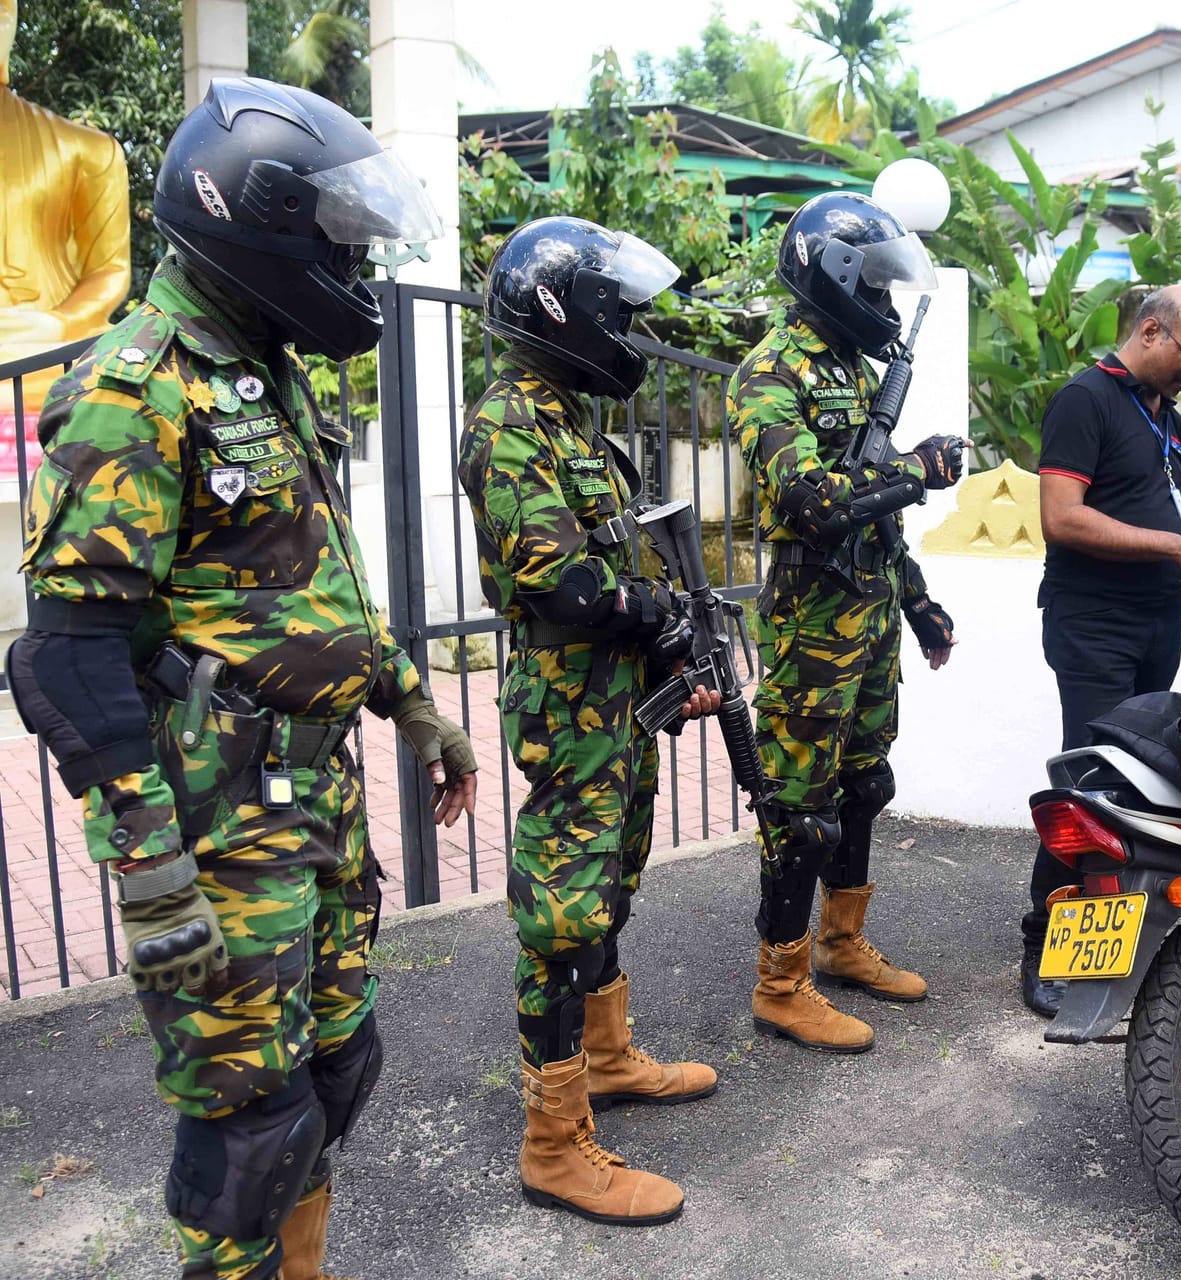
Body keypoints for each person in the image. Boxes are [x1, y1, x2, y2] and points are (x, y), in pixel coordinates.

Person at [6, 78, 479, 1280]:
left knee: (334, 1071)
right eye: (330, 236)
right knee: (246, 1128)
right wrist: (155, 872)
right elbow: (69, 657)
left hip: (313, 805)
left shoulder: (265, 367)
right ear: (252, 222)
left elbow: (320, 581)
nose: (347, 263)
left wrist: (412, 703)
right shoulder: (136, 385)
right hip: (214, 828)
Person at [459, 216, 727, 1227]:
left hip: (614, 701)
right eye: (619, 309)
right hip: (570, 711)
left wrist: (666, 644)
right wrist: (653, 613)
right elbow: (556, 576)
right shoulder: (507, 421)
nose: (631, 327)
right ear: (561, 311)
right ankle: (553, 1142)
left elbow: (613, 565)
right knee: (563, 923)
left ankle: (608, 1060)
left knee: (610, 887)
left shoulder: (573, 420)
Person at [729, 192, 967, 1055]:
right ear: (830, 275)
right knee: (801, 813)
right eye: (872, 284)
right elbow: (806, 500)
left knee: (866, 788)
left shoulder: (857, 374)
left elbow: (876, 517)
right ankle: (781, 984)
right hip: (808, 631)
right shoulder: (767, 374)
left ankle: (838, 945)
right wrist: (913, 471)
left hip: (870, 626)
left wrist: (919, 599)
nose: (885, 303)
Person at [1021, 284, 1181, 1017]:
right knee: (1093, 783)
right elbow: (1063, 518)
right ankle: (1044, 942)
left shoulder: (1166, 418)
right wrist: (1179, 546)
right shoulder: (1083, 400)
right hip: (1093, 621)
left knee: (1138, 783)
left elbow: (1156, 509)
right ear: (1151, 333)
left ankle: (1114, 935)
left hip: (1158, 614)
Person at [0, 0, 132, 418]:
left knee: (106, 358)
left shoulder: (88, 152)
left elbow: (109, 272)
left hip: (41, 344)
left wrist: (55, 324)